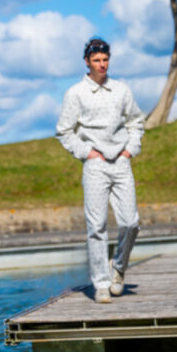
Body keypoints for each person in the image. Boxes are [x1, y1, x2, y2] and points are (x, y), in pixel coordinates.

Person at [56, 37, 145, 304]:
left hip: (121, 160)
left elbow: (136, 122)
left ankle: (118, 267)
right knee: (97, 226)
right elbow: (64, 131)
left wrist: (131, 148)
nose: (102, 64)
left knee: (131, 222)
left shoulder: (121, 90)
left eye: (105, 60)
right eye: (97, 60)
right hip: (94, 164)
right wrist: (86, 153)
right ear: (87, 61)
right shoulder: (75, 93)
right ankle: (101, 284)